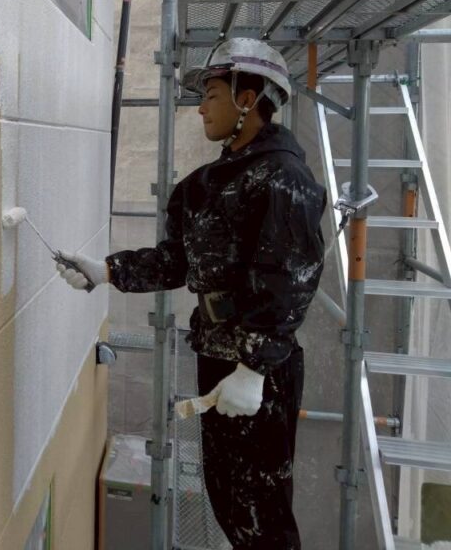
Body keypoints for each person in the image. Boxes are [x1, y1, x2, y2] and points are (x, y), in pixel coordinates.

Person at [58, 37, 327, 550]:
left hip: (257, 373)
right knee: (227, 499)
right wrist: (106, 270)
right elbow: (177, 260)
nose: (201, 107)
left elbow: (292, 279)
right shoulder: (209, 183)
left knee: (262, 515)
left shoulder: (283, 177)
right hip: (218, 357)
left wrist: (254, 368)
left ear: (248, 98)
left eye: (212, 94)